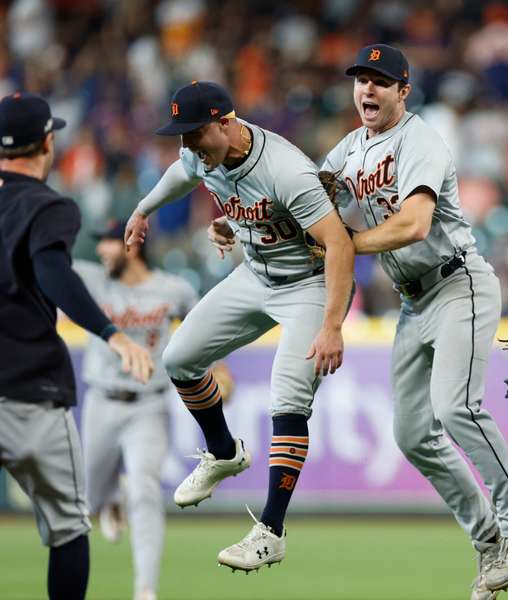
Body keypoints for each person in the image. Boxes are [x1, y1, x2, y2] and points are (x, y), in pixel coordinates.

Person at [210, 43, 508, 598]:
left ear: (403, 91)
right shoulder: (347, 151)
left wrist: (345, 244)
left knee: (455, 407)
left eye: (380, 81)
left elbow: (415, 224)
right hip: (414, 301)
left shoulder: (420, 140)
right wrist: (237, 222)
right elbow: (296, 200)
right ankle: (490, 540)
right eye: (361, 80)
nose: (367, 89)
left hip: (457, 281)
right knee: (412, 433)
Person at [123, 81, 355, 571]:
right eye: (181, 136)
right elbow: (178, 175)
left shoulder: (284, 168)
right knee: (179, 359)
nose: (188, 146)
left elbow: (338, 244)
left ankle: (271, 530)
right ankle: (224, 452)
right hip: (256, 274)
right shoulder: (201, 155)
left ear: (226, 122)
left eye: (195, 134)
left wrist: (332, 324)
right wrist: (144, 210)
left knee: (288, 396)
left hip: (308, 285)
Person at [0, 92, 153, 600]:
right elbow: (52, 275)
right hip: (28, 391)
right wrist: (110, 333)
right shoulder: (46, 205)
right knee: (68, 527)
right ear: (47, 142)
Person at [74, 219, 213, 600]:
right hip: (101, 400)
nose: (102, 249)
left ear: (133, 244)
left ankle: (145, 590)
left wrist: (219, 369)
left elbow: (207, 330)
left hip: (149, 405)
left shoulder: (173, 289)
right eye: (100, 241)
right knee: (89, 500)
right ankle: (110, 499)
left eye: (108, 242)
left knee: (146, 490)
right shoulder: (91, 280)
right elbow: (47, 267)